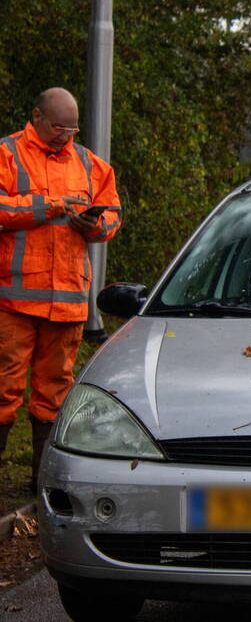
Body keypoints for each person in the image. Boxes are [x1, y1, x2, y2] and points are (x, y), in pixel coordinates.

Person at [0, 88, 122, 489]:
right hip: (13, 299)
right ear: (36, 116)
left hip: (67, 302)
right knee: (4, 387)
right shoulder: (8, 153)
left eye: (72, 129)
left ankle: (41, 482)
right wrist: (46, 206)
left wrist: (96, 226)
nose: (65, 136)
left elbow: (112, 215)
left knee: (54, 394)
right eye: (58, 127)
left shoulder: (91, 164)